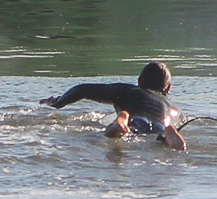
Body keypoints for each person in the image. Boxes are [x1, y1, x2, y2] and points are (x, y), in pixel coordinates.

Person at [41, 61, 188, 149]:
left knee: (125, 123)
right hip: (160, 127)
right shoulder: (176, 110)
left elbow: (82, 90)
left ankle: (120, 123)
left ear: (139, 81)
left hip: (135, 121)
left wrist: (58, 102)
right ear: (168, 88)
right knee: (158, 136)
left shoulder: (127, 90)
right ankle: (168, 134)